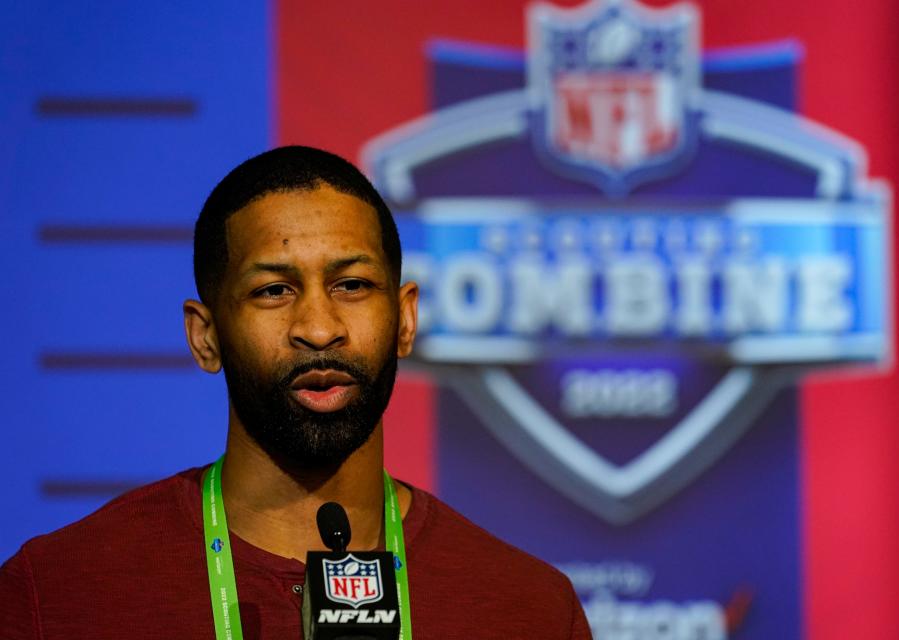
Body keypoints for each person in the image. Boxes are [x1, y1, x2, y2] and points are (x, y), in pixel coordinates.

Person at [0, 146, 592, 639]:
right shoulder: (57, 596)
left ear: (406, 320)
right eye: (274, 291)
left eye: (353, 285)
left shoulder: (531, 610)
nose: (318, 327)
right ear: (205, 337)